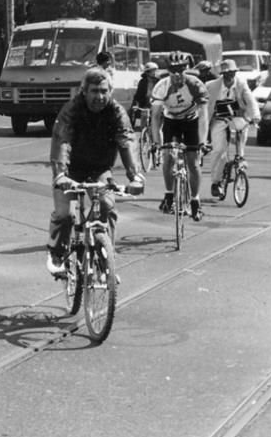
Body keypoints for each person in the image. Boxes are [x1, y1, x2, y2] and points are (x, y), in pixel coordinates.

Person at [46, 68, 144, 275]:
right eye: (94, 91)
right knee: (65, 215)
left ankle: (106, 257)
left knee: (107, 206)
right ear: (84, 92)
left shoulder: (116, 112)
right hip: (70, 171)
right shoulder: (72, 110)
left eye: (103, 91)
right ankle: (56, 252)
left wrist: (135, 175)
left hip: (99, 169)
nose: (99, 97)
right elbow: (62, 140)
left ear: (110, 92)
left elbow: (126, 140)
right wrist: (60, 174)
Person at [150, 51, 210, 221]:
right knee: (168, 157)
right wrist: (156, 142)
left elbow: (204, 115)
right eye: (172, 70)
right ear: (168, 71)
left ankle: (195, 201)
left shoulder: (195, 84)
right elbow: (155, 117)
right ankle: (169, 195)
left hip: (192, 121)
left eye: (181, 70)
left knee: (192, 161)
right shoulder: (162, 86)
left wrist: (202, 141)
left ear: (187, 69)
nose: (177, 74)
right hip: (171, 121)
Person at [206, 59, 260, 197]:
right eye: (227, 73)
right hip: (219, 119)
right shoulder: (212, 86)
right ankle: (216, 181)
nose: (231, 76)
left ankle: (240, 158)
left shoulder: (241, 84)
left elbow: (250, 101)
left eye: (233, 72)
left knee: (241, 133)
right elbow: (205, 107)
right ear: (223, 74)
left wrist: (255, 117)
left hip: (237, 117)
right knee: (218, 150)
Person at [129, 62, 161, 128]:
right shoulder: (142, 82)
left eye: (156, 70)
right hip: (145, 106)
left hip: (157, 106)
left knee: (156, 127)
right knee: (143, 124)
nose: (155, 72)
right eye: (153, 71)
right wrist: (135, 105)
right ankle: (143, 136)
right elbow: (138, 95)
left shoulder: (159, 82)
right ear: (147, 73)